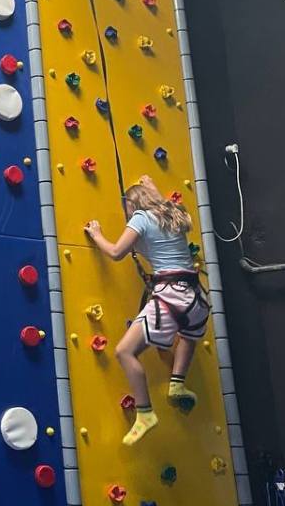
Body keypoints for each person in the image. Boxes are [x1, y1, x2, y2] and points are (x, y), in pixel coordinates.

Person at [83, 175, 210, 446]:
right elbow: (162, 204)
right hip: (197, 300)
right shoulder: (174, 214)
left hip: (171, 297)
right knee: (187, 337)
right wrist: (153, 189)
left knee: (124, 351)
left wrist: (97, 235)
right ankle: (177, 382)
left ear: (132, 205)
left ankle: (144, 413)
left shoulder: (140, 218)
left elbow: (117, 252)